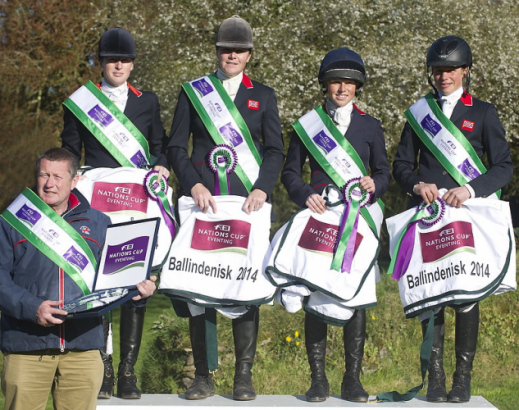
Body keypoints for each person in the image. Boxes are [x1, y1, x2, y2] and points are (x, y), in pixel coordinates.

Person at [167, 16, 284, 400]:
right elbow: (174, 148)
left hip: (246, 207)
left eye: (238, 50)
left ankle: (243, 377)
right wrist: (194, 182)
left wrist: (264, 188)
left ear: (249, 55)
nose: (231, 55)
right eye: (225, 49)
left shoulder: (263, 96)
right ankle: (202, 375)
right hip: (205, 205)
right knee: (201, 286)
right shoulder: (193, 92)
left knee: (243, 286)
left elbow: (274, 150)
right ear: (217, 52)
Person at [393, 36, 513, 403]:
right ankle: (436, 377)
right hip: (431, 217)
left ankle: (463, 378)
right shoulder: (418, 114)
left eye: (450, 69)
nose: (443, 76)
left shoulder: (483, 112)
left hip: (467, 217)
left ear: (465, 71)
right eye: (438, 70)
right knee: (434, 294)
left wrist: (471, 189)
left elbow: (504, 166)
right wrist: (417, 184)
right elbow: (401, 166)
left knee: (465, 298)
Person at [0, 147, 156, 410]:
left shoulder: (99, 223)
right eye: (43, 175)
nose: (49, 184)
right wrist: (32, 308)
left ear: (74, 181)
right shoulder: (12, 221)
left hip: (83, 349)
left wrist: (137, 292)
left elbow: (114, 283)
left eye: (58, 177)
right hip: (26, 346)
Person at [61, 27, 169, 399]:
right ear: (101, 63)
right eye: (111, 60)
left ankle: (128, 373)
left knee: (136, 287)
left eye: (124, 60)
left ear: (132, 64)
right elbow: (70, 151)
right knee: (103, 285)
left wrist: (162, 168)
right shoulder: (80, 102)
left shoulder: (148, 101)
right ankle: (104, 369)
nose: (118, 65)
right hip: (99, 204)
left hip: (137, 203)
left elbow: (160, 147)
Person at [281, 48, 390, 402]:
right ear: (325, 85)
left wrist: (375, 185)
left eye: (348, 83)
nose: (341, 89)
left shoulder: (371, 126)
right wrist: (303, 195)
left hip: (358, 217)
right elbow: (289, 172)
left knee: (353, 293)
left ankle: (352, 380)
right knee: (315, 289)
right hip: (322, 214)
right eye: (335, 83)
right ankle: (318, 380)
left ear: (357, 87)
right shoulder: (308, 125)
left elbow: (385, 172)